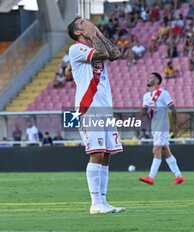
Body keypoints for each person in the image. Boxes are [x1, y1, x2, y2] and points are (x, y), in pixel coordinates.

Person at [67, 17, 125, 214]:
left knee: (106, 155)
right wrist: (94, 35)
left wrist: (98, 34)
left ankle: (103, 202)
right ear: (77, 32)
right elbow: (103, 53)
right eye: (83, 23)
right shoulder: (76, 49)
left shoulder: (94, 42)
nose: (88, 23)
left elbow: (115, 53)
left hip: (105, 108)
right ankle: (95, 203)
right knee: (97, 153)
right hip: (89, 107)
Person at [139, 72, 185, 185]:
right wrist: (143, 112)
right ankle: (179, 176)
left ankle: (151, 177)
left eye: (151, 77)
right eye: (148, 77)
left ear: (157, 81)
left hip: (162, 125)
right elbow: (145, 110)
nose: (148, 78)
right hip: (155, 126)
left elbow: (173, 109)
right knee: (166, 151)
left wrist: (174, 125)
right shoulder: (146, 96)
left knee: (156, 150)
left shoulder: (163, 93)